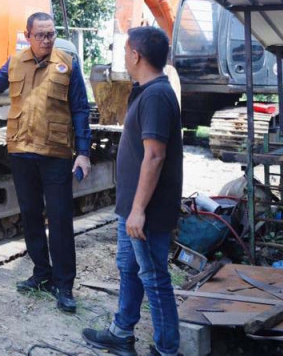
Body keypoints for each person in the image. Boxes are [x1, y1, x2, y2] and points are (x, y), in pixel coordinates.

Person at [0, 12, 91, 313]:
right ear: (28, 35)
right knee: (31, 216)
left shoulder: (68, 64)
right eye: (41, 35)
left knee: (60, 220)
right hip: (21, 151)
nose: (47, 40)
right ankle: (41, 274)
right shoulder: (15, 62)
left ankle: (64, 285)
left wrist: (84, 152)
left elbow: (80, 110)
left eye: (51, 34)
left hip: (56, 153)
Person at [83, 26, 183, 356]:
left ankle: (167, 350)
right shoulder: (146, 90)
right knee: (129, 267)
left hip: (147, 211)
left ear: (136, 55)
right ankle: (121, 332)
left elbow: (155, 156)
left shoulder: (156, 96)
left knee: (154, 277)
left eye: (126, 51)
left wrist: (139, 210)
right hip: (132, 207)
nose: (124, 56)